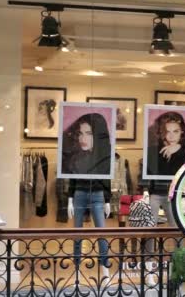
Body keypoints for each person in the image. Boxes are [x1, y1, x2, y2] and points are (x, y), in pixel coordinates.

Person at [62, 113, 113, 273]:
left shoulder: (104, 155)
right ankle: (77, 267)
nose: (83, 138)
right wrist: (70, 199)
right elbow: (72, 179)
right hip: (79, 194)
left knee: (101, 233)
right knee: (77, 232)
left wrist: (107, 199)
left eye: (89, 133)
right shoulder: (75, 157)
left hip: (97, 194)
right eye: (81, 133)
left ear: (97, 135)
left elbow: (106, 178)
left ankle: (105, 268)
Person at [146, 111, 185, 227]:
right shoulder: (154, 149)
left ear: (182, 132)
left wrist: (178, 147)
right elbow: (150, 171)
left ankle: (179, 246)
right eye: (167, 132)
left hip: (173, 193)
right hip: (155, 192)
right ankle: (149, 246)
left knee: (175, 227)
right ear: (162, 133)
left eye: (175, 131)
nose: (171, 136)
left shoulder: (184, 147)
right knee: (150, 228)